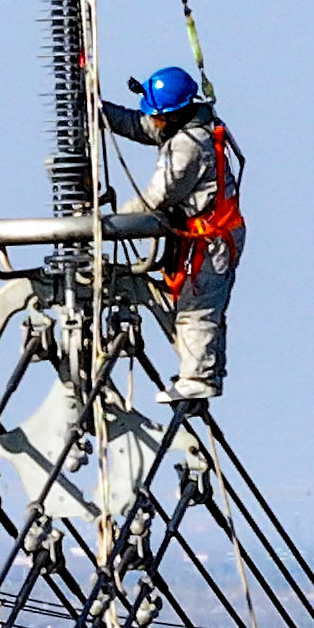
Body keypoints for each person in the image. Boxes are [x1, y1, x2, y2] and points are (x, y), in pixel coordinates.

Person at [102, 64, 243, 404]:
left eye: (159, 115)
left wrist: (107, 225)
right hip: (204, 238)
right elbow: (141, 126)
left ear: (175, 113)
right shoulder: (187, 124)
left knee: (198, 309)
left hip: (211, 243)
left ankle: (199, 377)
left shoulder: (188, 147)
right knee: (195, 305)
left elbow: (157, 199)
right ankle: (204, 369)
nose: (154, 121)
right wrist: (98, 110)